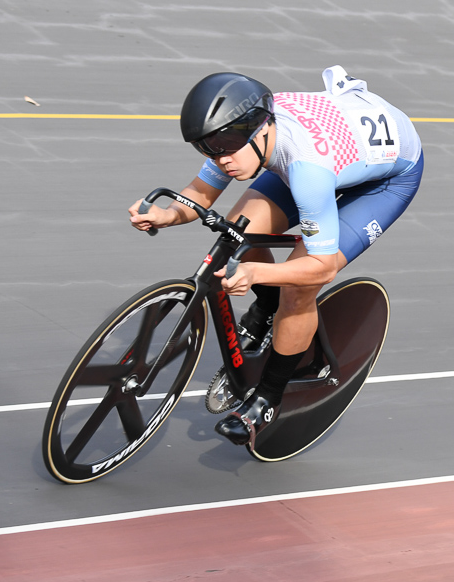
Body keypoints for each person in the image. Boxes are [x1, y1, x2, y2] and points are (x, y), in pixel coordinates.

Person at [129, 65, 423, 445]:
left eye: (224, 150)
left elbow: (321, 268)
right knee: (236, 230)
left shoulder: (306, 170)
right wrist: (167, 215)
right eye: (207, 150)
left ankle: (267, 398)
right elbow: (202, 193)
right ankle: (267, 311)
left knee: (298, 288)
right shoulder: (234, 135)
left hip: (383, 181)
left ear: (262, 129)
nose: (220, 160)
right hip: (328, 146)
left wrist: (257, 276)